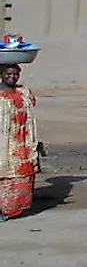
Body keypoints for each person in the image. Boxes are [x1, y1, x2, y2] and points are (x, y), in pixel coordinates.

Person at [0, 63, 40, 222]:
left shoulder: (24, 92)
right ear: (1, 74)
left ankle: (13, 209)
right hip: (3, 142)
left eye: (16, 74)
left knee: (21, 172)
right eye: (8, 73)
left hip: (22, 140)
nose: (12, 76)